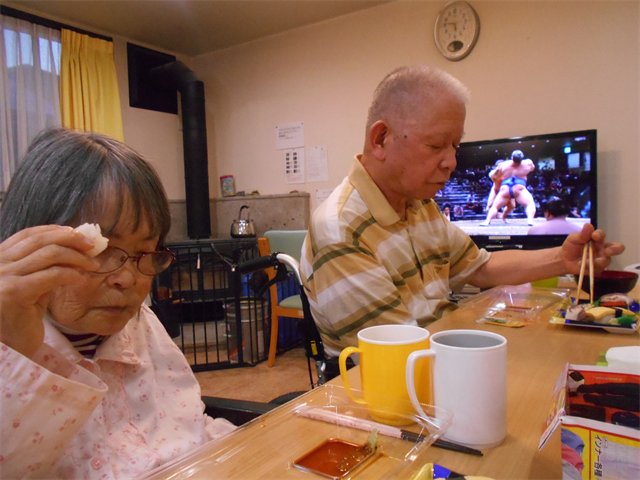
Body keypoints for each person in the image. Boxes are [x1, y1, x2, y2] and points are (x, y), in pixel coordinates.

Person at [300, 65, 624, 358]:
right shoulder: (342, 229)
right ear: (381, 139)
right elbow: (406, 357)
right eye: (436, 145)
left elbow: (480, 268)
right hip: (402, 394)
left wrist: (563, 259)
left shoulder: (420, 204)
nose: (452, 162)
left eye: (455, 146)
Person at [0, 128, 235, 479]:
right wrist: (13, 347)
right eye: (100, 250)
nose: (128, 278)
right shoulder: (9, 340)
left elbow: (189, 426)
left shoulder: (142, 323)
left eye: (145, 252)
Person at [480, 149, 536, 226]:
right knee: (530, 204)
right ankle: (530, 221)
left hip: (505, 188)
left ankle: (487, 221)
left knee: (495, 206)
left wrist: (499, 170)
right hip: (518, 189)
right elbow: (532, 168)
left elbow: (496, 176)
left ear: (512, 157)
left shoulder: (504, 164)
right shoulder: (528, 163)